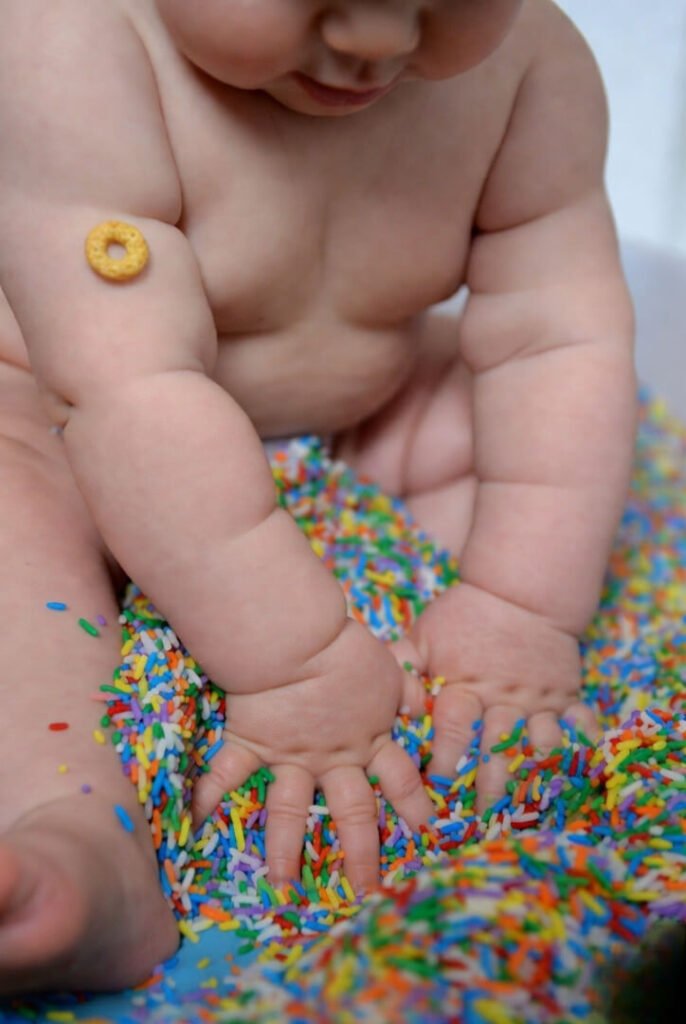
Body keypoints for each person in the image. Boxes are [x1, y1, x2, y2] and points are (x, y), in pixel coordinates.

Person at [0, 0, 636, 995]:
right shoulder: (72, 42)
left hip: (361, 414)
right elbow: (131, 390)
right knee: (11, 531)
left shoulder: (528, 67)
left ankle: (457, 759)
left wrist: (521, 602)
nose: (378, 36)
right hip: (66, 420)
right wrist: (295, 665)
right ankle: (81, 822)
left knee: (540, 426)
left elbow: (551, 336)